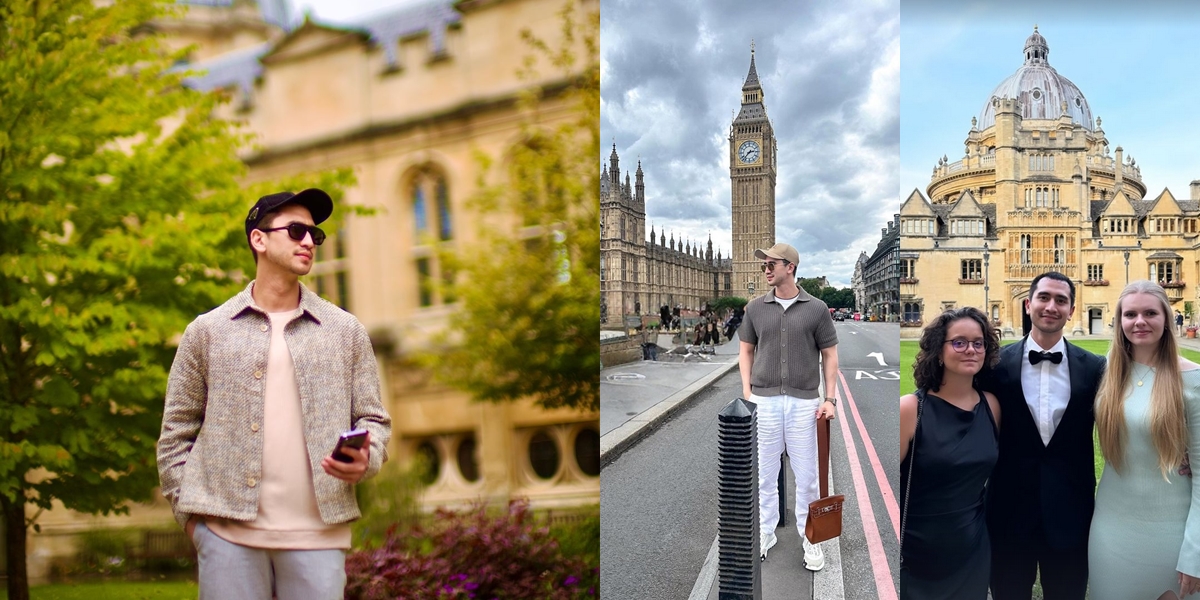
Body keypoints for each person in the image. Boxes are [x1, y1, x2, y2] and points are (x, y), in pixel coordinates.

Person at [157, 189, 393, 600]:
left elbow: (374, 422)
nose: (309, 242)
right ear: (259, 240)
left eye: (315, 236)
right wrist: (195, 523)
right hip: (227, 537)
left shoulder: (344, 331)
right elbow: (176, 435)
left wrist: (365, 460)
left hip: (318, 537)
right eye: (297, 231)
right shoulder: (208, 331)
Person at [982, 272, 1105, 600]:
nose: (1051, 306)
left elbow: (1125, 418)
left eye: (1061, 300)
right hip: (1008, 514)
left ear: (1072, 310)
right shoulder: (994, 366)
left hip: (1071, 514)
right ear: (1028, 304)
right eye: (1044, 298)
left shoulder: (1095, 368)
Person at [1089, 281, 1200, 599]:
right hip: (1109, 527)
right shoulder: (1108, 372)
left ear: (1167, 318)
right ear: (1119, 321)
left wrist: (1195, 553)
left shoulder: (1193, 381)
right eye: (1130, 314)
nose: (1140, 321)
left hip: (1170, 531)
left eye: (1150, 313)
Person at [738, 242, 838, 571]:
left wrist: (830, 398)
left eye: (772, 264)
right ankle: (766, 532)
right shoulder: (754, 308)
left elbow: (830, 355)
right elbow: (746, 352)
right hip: (764, 403)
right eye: (764, 264)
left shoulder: (817, 308)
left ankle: (811, 540)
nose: (766, 269)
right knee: (765, 475)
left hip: (803, 404)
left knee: (807, 477)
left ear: (790, 267)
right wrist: (747, 394)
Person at [900, 306, 1001, 599]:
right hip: (918, 554)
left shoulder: (992, 406)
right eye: (959, 342)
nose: (970, 350)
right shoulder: (911, 409)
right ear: (938, 350)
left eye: (978, 343)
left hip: (971, 550)